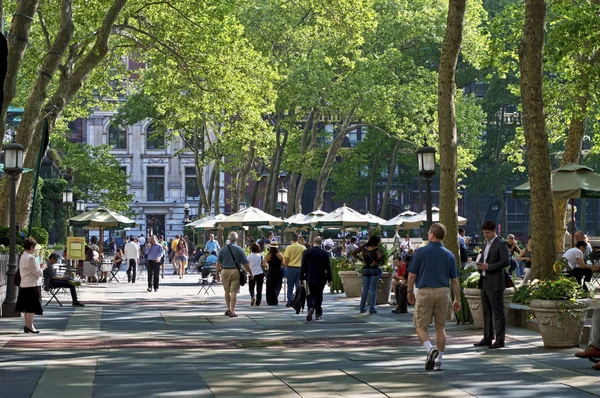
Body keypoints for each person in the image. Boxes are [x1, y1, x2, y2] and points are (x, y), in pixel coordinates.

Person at [407, 223, 460, 371]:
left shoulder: (420, 252)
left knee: (420, 326)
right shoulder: (449, 255)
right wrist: (457, 299)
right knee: (440, 327)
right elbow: (454, 280)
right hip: (443, 292)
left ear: (432, 235)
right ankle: (439, 361)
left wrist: (410, 291)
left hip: (425, 291)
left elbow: (411, 276)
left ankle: (430, 349)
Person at [475, 220, 510, 349]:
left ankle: (500, 340)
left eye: (488, 233)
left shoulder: (501, 244)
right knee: (486, 312)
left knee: (498, 313)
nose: (486, 235)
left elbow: (505, 262)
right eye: (484, 233)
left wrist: (489, 266)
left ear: (494, 231)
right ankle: (487, 337)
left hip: (495, 282)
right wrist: (480, 265)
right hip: (484, 281)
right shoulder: (485, 244)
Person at [215, 232, 252, 317]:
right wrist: (250, 273)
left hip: (224, 271)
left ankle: (228, 309)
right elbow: (245, 263)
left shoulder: (223, 249)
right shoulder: (239, 249)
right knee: (233, 292)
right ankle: (232, 310)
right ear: (236, 239)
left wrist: (217, 274)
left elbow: (218, 263)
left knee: (226, 291)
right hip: (235, 271)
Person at [15, 237, 47, 333]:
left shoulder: (23, 256)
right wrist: (43, 268)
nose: (35, 249)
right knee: (31, 307)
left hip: (24, 284)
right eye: (35, 247)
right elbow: (37, 273)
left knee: (26, 307)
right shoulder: (31, 257)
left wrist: (38, 268)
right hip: (32, 284)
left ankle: (27, 325)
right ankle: (30, 326)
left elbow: (30, 269)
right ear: (32, 247)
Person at [300, 236, 332, 321]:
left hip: (309, 277)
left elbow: (303, 266)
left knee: (309, 294)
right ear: (321, 242)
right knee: (319, 294)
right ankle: (318, 313)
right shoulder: (324, 253)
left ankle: (311, 307)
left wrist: (301, 278)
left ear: (313, 241)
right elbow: (328, 267)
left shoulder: (306, 252)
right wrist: (330, 279)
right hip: (321, 278)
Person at [352, 235, 384, 314]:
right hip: (374, 270)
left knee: (365, 290)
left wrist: (362, 260)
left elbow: (354, 253)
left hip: (365, 269)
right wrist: (375, 261)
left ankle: (362, 308)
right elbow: (380, 257)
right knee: (373, 290)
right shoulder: (377, 249)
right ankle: (372, 309)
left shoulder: (364, 248)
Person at [283, 232, 307, 307]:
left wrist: (286, 266)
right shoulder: (303, 248)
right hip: (300, 268)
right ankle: (298, 301)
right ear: (298, 239)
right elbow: (305, 258)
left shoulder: (288, 248)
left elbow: (286, 259)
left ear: (291, 239)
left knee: (290, 286)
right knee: (298, 286)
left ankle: (289, 301)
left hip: (291, 268)